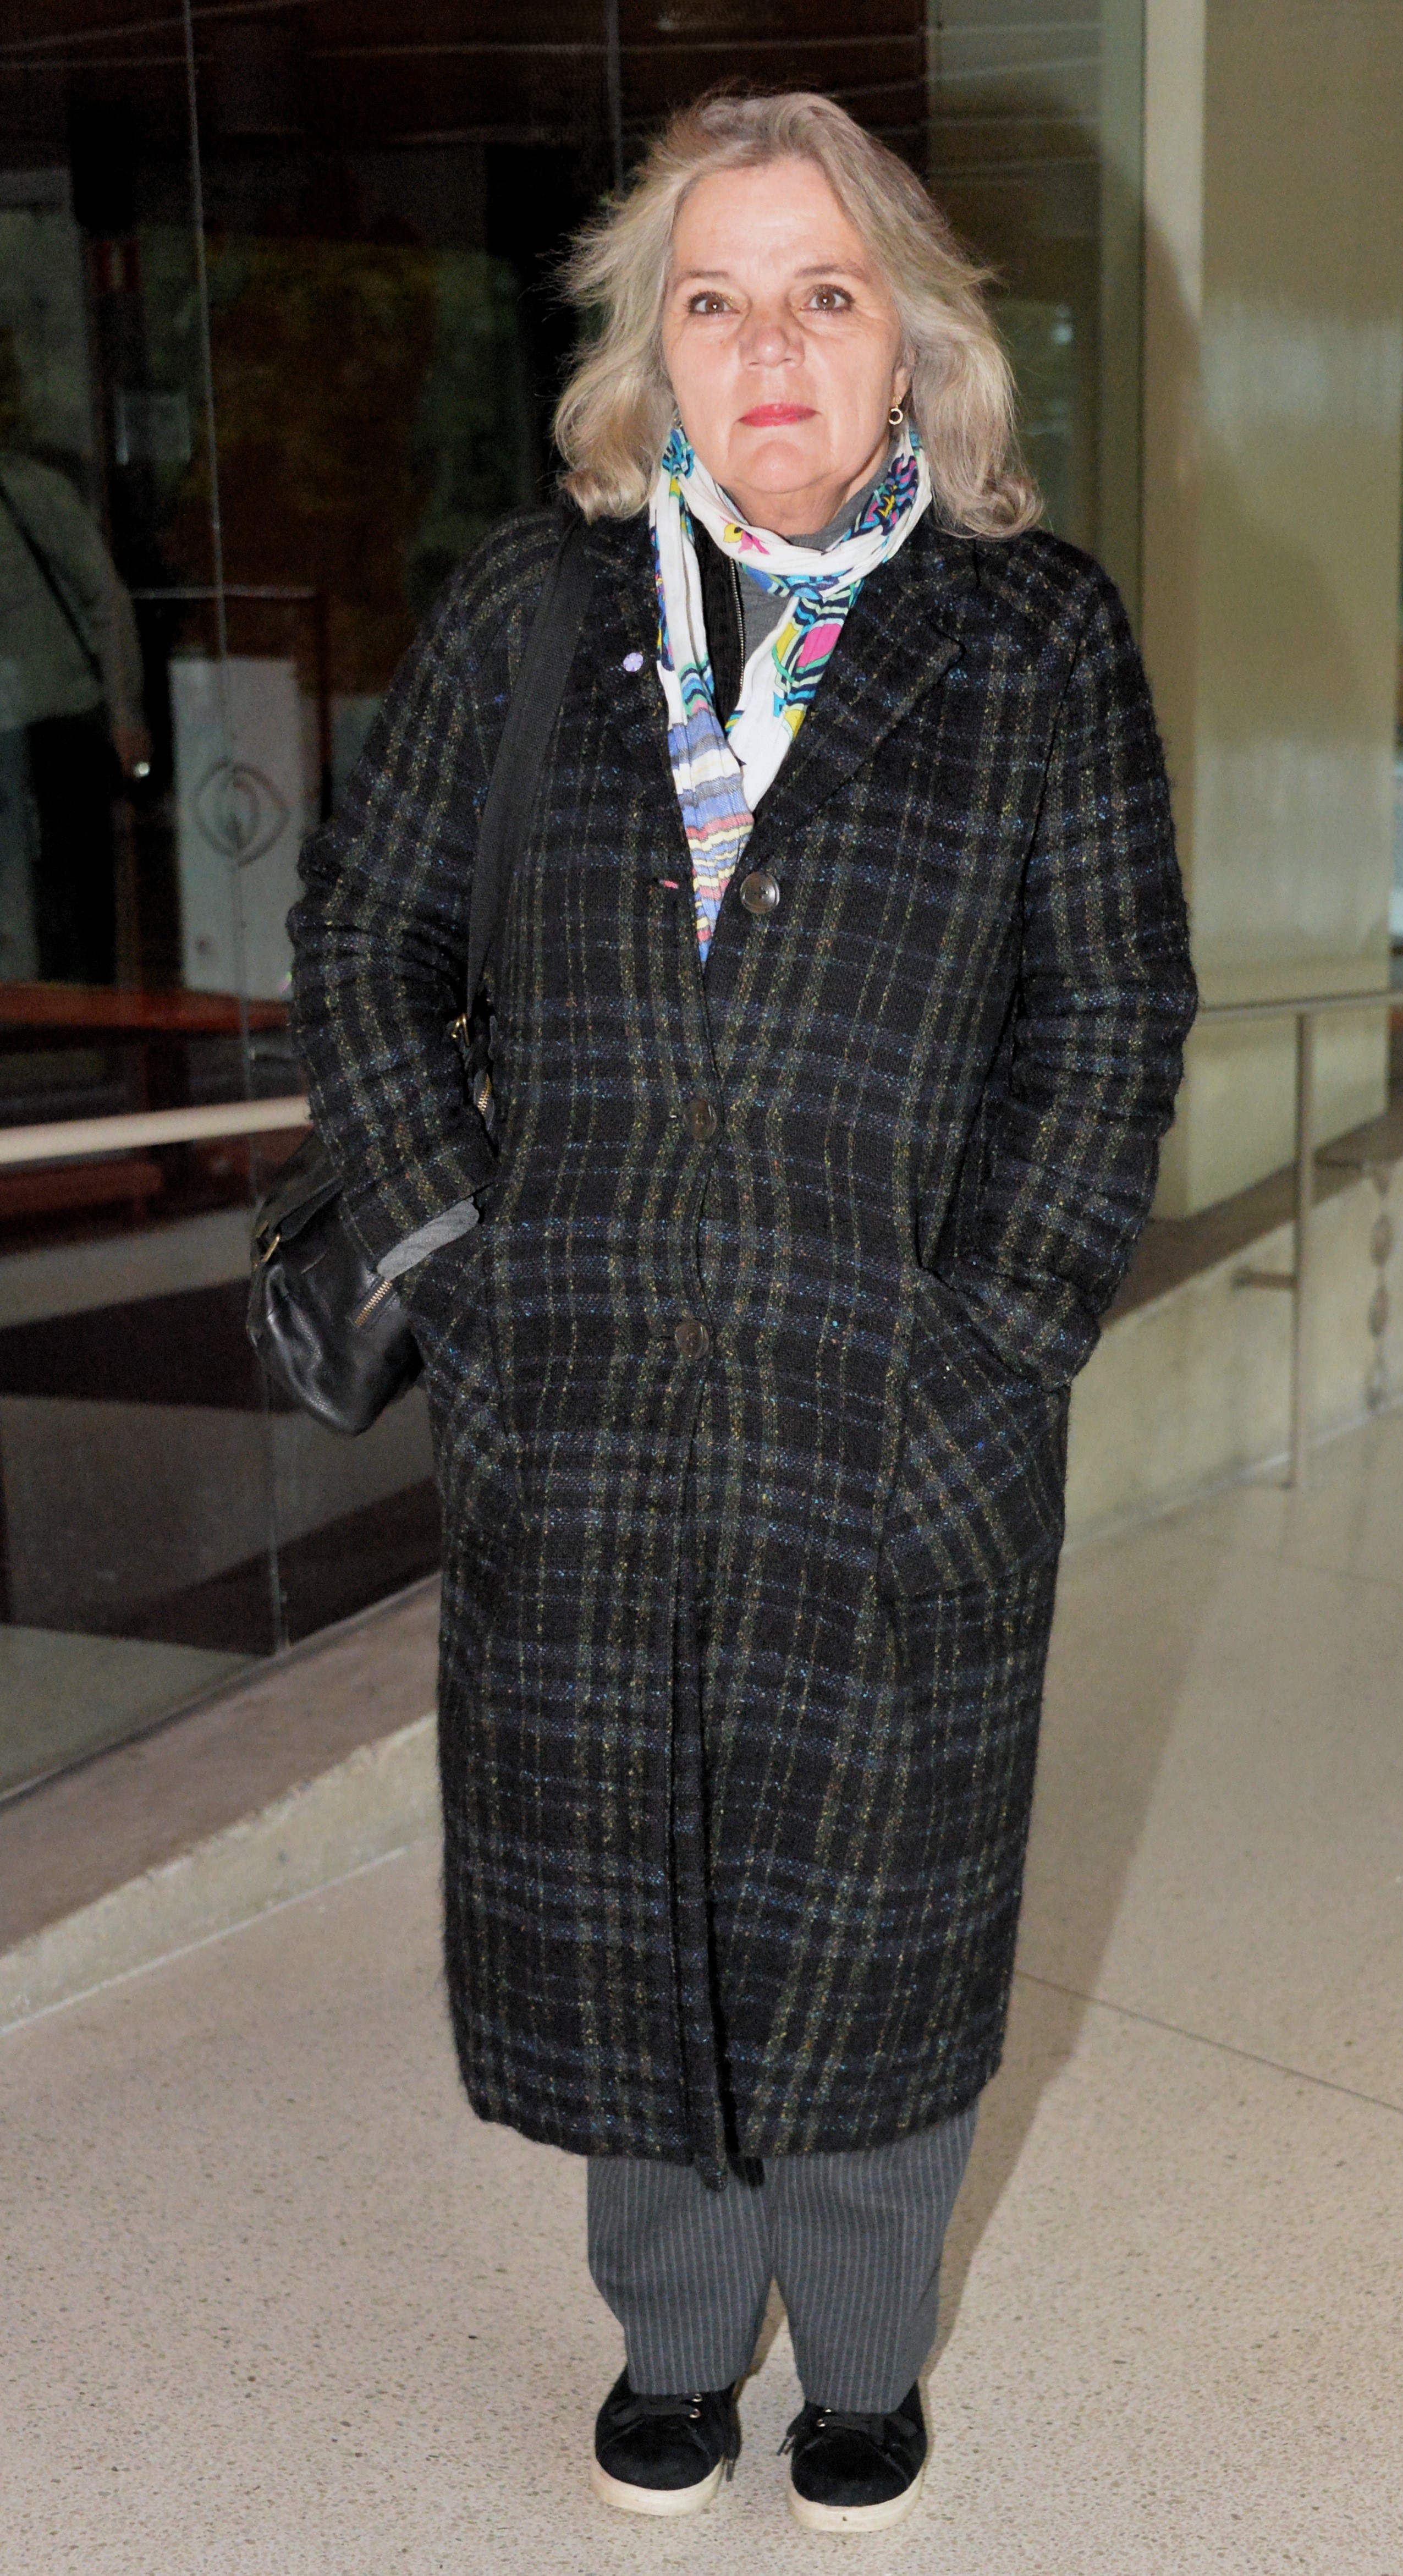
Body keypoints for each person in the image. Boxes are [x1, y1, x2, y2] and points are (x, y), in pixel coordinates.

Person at [288, 90, 1196, 2536]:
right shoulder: (528, 612)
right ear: (651, 347)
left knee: (880, 1909)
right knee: (631, 1884)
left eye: (822, 295)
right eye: (715, 299)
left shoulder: (1034, 638)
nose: (769, 347)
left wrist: (997, 1340)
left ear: (912, 342)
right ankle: (676, 2337)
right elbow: (367, 936)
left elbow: (1112, 1012)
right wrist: (458, 1272)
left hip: (898, 1403)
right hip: (577, 1400)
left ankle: (866, 2357)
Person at [0, 333, 150, 985]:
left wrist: (124, 711)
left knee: (75, 893)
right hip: (29, 722)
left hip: (56, 721)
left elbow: (105, 601)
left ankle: (84, 1007)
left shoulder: (29, 491)